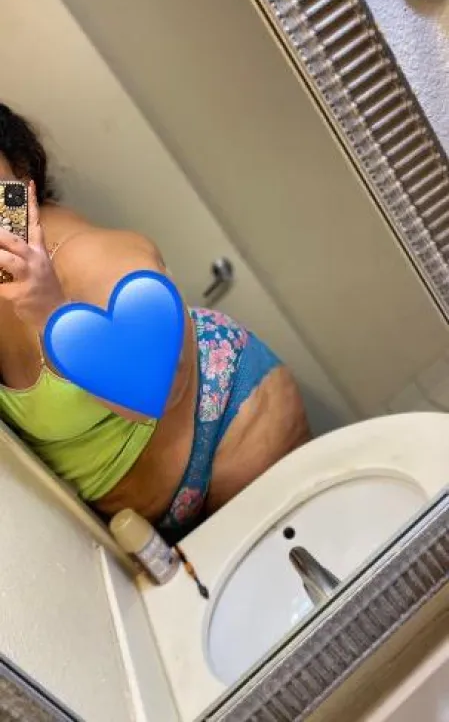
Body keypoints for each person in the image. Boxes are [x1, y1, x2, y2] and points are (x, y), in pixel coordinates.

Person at [0, 103, 311, 542]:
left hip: (231, 427)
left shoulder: (82, 255)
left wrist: (51, 313)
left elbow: (155, 386)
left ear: (21, 176)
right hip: (149, 520)